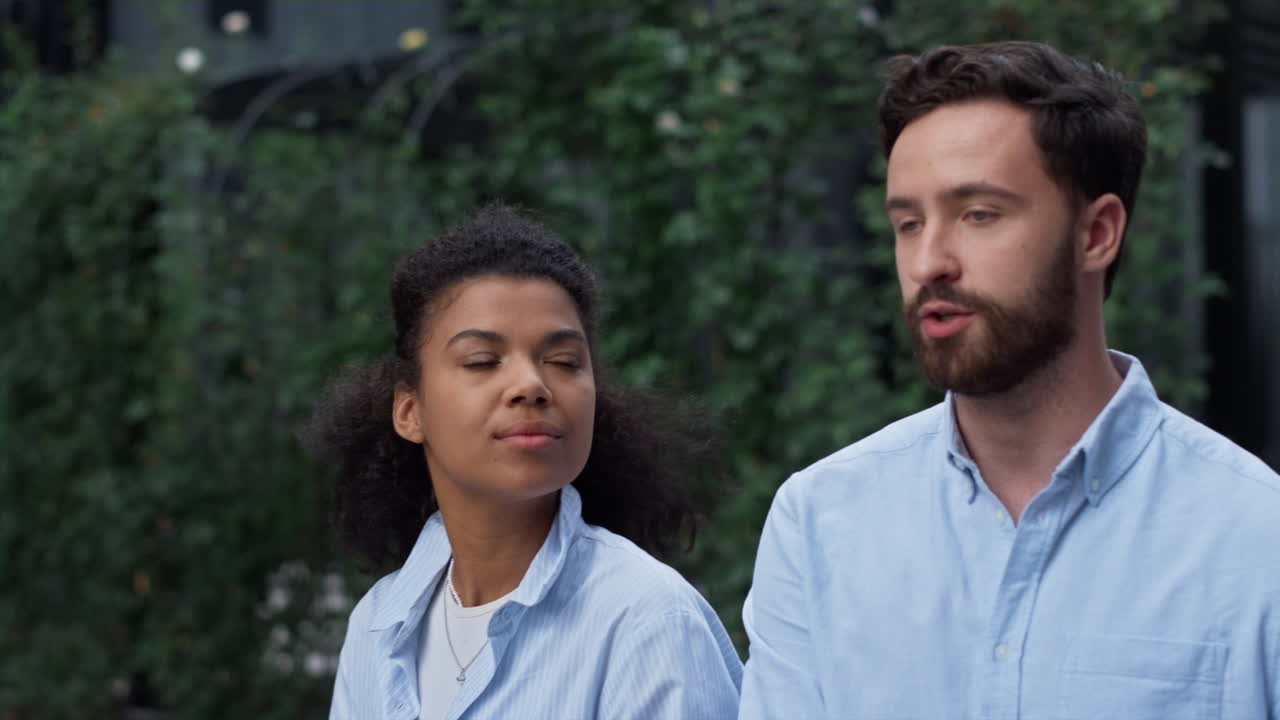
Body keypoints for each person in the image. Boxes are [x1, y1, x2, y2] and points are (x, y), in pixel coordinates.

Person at [739, 41, 1280, 719]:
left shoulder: (1256, 538)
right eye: (908, 223)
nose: (930, 261)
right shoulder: (820, 524)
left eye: (979, 215)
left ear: (1097, 233)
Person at [303, 205, 742, 720]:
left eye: (562, 362)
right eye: (482, 361)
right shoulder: (378, 625)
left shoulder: (646, 618)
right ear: (409, 410)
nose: (531, 386)